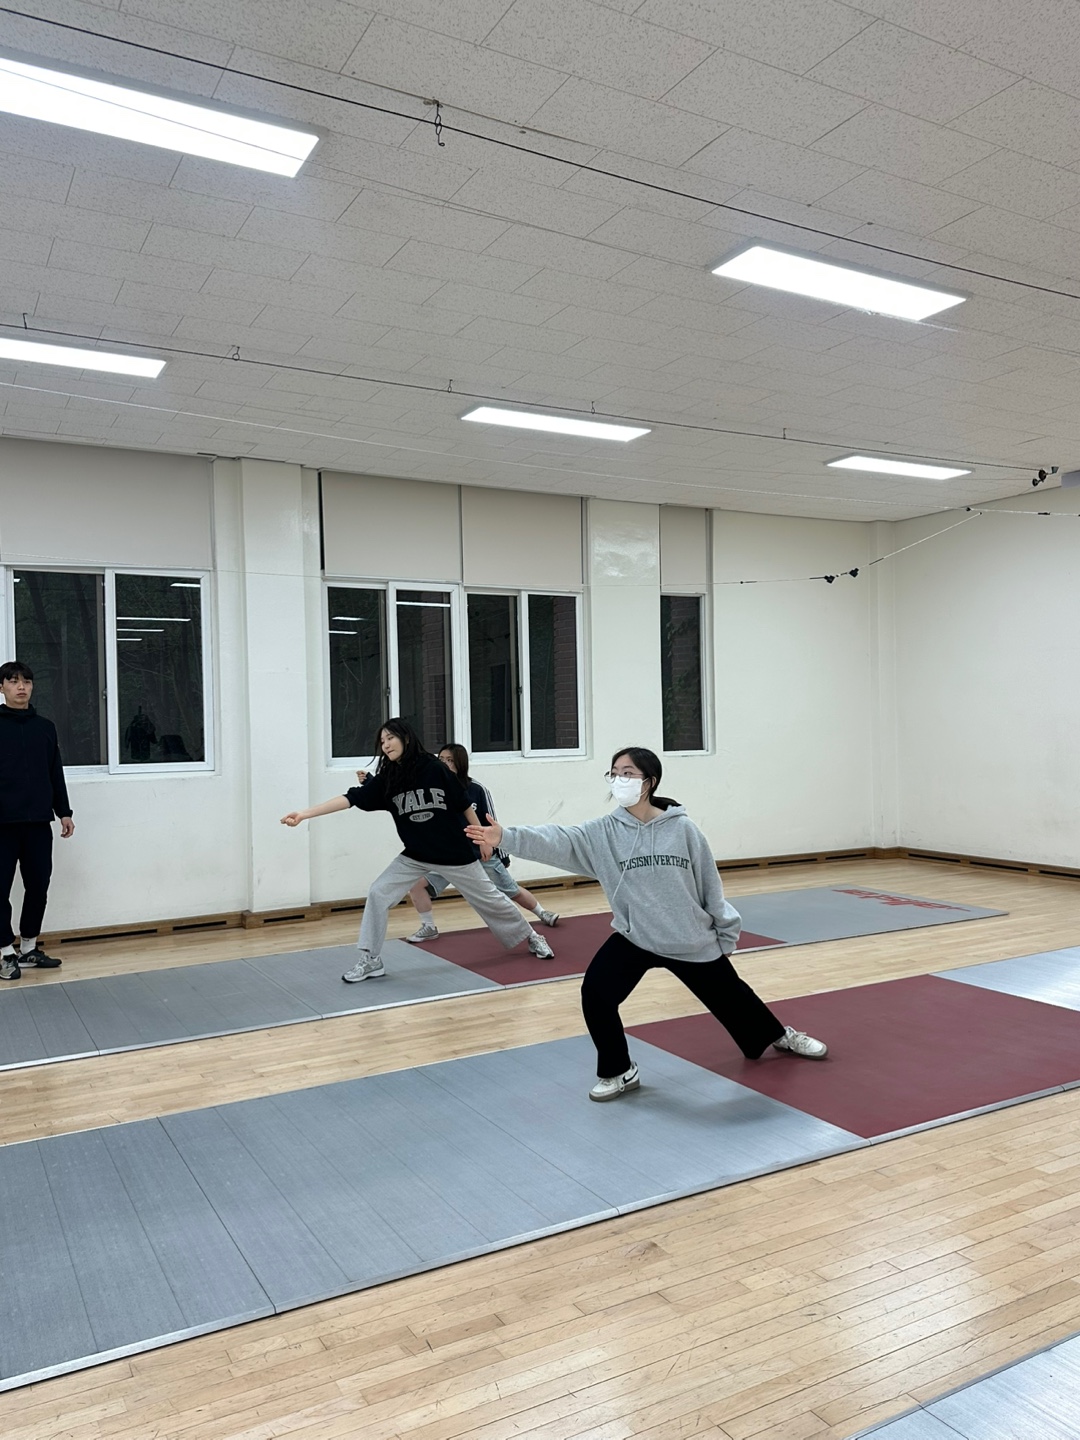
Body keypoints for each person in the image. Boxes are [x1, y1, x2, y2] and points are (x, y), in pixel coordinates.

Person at [468, 745, 828, 1102]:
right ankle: (619, 1070)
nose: (619, 780)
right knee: (596, 994)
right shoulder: (604, 832)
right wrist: (506, 837)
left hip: (688, 937)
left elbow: (709, 883)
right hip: (636, 936)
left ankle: (779, 1036)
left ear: (649, 781)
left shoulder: (683, 830)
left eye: (628, 773)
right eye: (614, 774)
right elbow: (558, 839)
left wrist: (725, 930)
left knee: (733, 997)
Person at [281, 717, 555, 983]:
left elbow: (463, 803)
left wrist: (482, 837)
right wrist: (304, 814)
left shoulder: (434, 768)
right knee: (378, 892)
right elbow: (350, 798)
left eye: (390, 738)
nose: (386, 745)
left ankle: (532, 936)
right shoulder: (389, 778)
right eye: (382, 741)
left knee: (491, 900)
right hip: (415, 856)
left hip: (455, 855)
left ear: (406, 738)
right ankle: (371, 959)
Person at [398, 743, 560, 942]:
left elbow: (492, 823)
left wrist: (499, 853)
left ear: (460, 763)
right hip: (448, 857)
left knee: (511, 890)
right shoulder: (433, 790)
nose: (445, 764)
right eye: (441, 760)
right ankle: (429, 927)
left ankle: (542, 913)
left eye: (450, 760)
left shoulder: (477, 790)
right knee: (417, 884)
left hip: (480, 855)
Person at [0, 660, 75, 981]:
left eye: (27, 681)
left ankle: (29, 947)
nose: (21, 687)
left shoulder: (45, 727)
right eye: (13, 681)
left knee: (38, 886)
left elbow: (54, 771)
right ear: (1, 687)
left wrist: (64, 811)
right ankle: (6, 953)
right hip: (2, 825)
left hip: (38, 824)